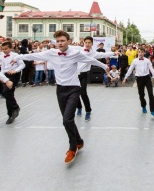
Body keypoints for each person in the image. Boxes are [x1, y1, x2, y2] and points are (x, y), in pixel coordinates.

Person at [11, 30, 109, 164]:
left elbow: (91, 60)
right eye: (58, 41)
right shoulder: (51, 53)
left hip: (74, 89)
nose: (60, 43)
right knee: (67, 120)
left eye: (62, 40)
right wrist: (17, 57)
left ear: (68, 41)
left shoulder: (75, 53)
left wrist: (105, 66)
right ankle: (79, 141)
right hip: (60, 90)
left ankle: (72, 148)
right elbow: (34, 55)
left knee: (67, 120)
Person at [75, 36, 117, 121]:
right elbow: (67, 45)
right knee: (75, 93)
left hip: (84, 75)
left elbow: (103, 54)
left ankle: (88, 111)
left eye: (89, 43)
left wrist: (113, 53)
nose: (87, 44)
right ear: (84, 43)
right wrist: (52, 42)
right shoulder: (78, 49)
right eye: (86, 42)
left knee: (83, 93)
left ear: (92, 44)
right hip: (74, 75)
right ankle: (79, 107)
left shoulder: (93, 53)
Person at [122, 48, 154, 120]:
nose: (140, 53)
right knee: (141, 95)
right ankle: (143, 106)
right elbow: (130, 69)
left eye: (142, 52)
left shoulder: (147, 60)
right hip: (139, 79)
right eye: (139, 52)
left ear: (144, 53)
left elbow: (152, 69)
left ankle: (153, 110)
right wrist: (125, 78)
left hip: (147, 78)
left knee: (151, 94)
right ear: (138, 53)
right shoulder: (135, 61)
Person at [0, 41, 25, 124]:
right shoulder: (1, 56)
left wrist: (15, 70)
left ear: (11, 48)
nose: (4, 50)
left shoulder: (16, 56)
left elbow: (22, 65)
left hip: (14, 75)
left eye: (6, 49)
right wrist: (2, 76)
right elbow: (3, 67)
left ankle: (15, 108)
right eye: (2, 49)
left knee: (6, 91)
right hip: (5, 75)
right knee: (8, 93)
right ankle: (10, 114)